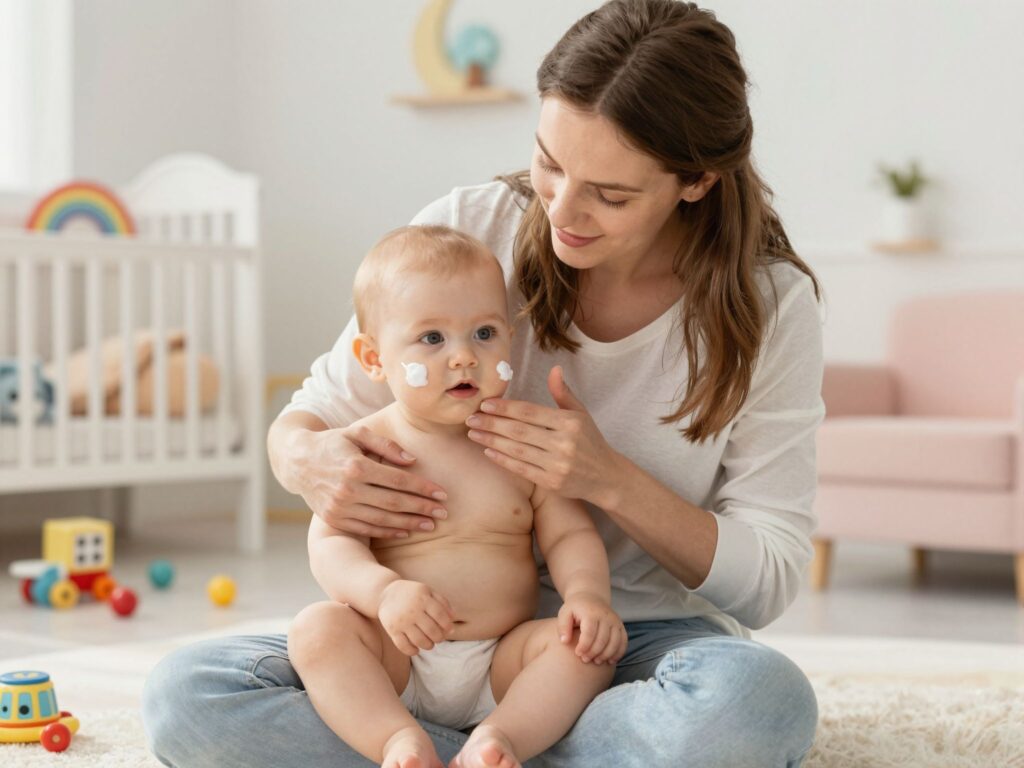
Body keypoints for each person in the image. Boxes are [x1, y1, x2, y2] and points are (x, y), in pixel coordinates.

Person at [142, 1, 824, 766]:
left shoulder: (769, 307)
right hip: (412, 635)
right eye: (550, 162)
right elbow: (310, 421)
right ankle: (452, 750)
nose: (562, 210)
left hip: (611, 641)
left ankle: (484, 747)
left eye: (611, 193)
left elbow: (767, 580)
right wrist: (313, 465)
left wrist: (608, 481)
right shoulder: (470, 228)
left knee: (758, 706)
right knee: (185, 694)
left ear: (694, 180)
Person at [289, 224, 625, 768]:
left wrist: (587, 598)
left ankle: (501, 740)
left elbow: (570, 533)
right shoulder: (369, 448)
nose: (464, 357)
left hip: (502, 661)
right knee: (316, 631)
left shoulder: (522, 443)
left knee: (586, 653)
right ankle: (395, 739)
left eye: (485, 334)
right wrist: (383, 594)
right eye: (432, 339)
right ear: (373, 358)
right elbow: (330, 544)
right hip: (394, 657)